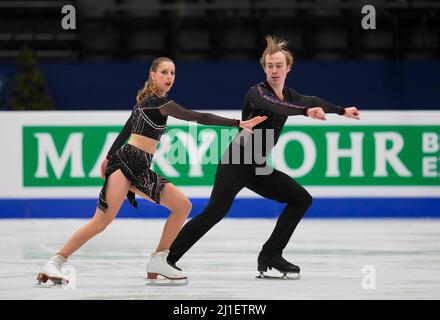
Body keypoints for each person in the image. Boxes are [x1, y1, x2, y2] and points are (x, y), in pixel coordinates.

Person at [36, 57, 267, 286]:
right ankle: (55, 261)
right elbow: (197, 117)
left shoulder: (147, 101)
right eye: (164, 72)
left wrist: (107, 156)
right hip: (126, 164)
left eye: (173, 73)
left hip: (141, 167)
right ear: (153, 75)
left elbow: (127, 127)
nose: (169, 77)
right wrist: (238, 123)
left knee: (182, 205)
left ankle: (158, 259)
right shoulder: (159, 103)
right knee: (101, 222)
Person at [155, 36, 361, 280]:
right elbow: (277, 107)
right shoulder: (257, 93)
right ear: (264, 68)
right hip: (237, 161)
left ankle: (270, 254)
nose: (274, 70)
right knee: (215, 212)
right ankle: (166, 259)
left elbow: (313, 100)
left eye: (279, 66)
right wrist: (305, 112)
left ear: (288, 68)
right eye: (270, 66)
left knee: (301, 199)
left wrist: (341, 111)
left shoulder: (291, 96)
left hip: (258, 167)